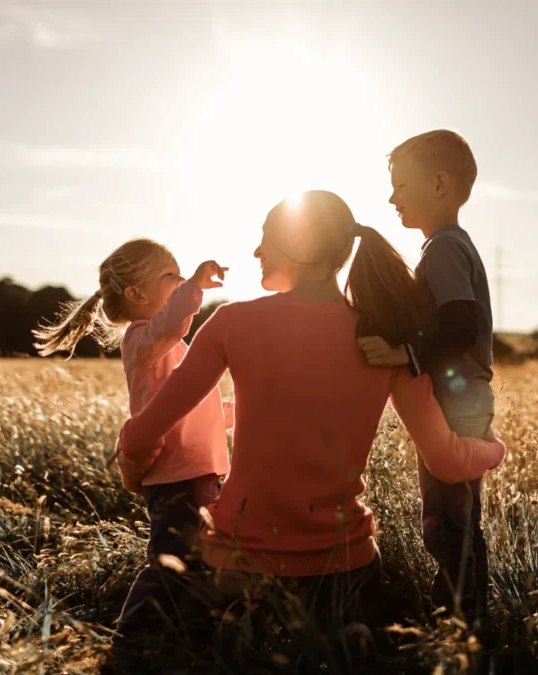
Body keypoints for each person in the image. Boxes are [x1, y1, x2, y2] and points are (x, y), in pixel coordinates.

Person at [116, 191, 505, 629]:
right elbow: (448, 462)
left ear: (299, 245)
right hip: (345, 576)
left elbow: (140, 434)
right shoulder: (386, 343)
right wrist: (494, 449)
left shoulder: (230, 323)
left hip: (234, 575)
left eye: (266, 239)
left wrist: (133, 471)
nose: (257, 251)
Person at [32, 238, 232, 668]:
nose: (180, 282)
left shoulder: (166, 346)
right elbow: (172, 324)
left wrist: (243, 411)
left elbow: (198, 406)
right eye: (171, 276)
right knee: (168, 566)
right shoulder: (143, 340)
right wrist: (195, 285)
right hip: (176, 476)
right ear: (137, 295)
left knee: (199, 566)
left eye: (181, 276)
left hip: (199, 473)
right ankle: (129, 644)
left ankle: (191, 639)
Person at [358, 130, 494, 622]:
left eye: (400, 186)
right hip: (469, 399)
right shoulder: (452, 245)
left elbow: (463, 326)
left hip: (457, 403)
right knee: (462, 519)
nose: (392, 198)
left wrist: (403, 353)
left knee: (446, 522)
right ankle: (471, 616)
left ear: (438, 184)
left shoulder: (441, 250)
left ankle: (456, 622)